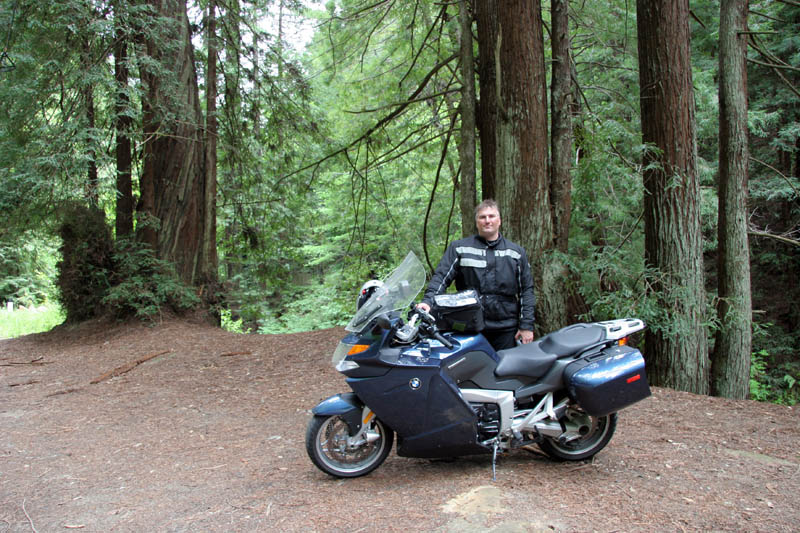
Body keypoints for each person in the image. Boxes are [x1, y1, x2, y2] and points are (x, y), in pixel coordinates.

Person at [417, 199, 536, 351]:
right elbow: (441, 278)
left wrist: (526, 326)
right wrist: (428, 302)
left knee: (506, 366)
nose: (487, 220)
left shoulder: (516, 253)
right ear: (477, 222)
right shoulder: (460, 248)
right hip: (469, 327)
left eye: (492, 216)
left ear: (499, 220)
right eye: (482, 217)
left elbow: (527, 290)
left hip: (506, 329)